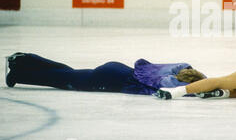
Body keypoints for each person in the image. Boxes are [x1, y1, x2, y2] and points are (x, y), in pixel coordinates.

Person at [5, 52, 207, 96]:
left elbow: (183, 67)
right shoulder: (168, 83)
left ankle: (24, 60)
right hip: (108, 80)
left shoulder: (177, 69)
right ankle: (18, 74)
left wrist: (202, 77)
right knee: (63, 79)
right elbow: (185, 90)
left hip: (116, 68)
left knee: (68, 73)